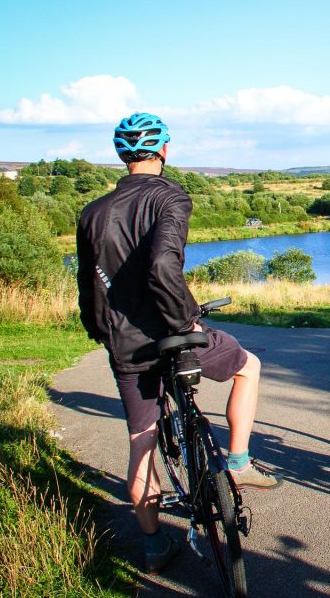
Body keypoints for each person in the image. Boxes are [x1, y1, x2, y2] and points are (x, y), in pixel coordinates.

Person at [76, 112, 280, 574]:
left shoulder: (92, 213)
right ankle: (240, 462)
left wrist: (102, 334)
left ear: (121, 155)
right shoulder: (170, 197)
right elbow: (162, 268)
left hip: (126, 345)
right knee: (248, 366)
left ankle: (153, 549)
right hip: (175, 331)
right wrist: (185, 323)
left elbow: (88, 289)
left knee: (141, 442)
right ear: (165, 151)